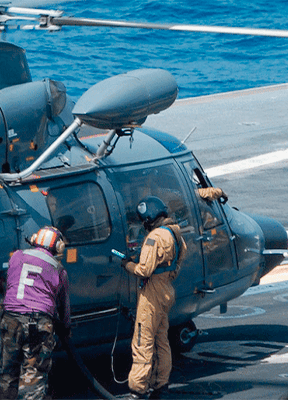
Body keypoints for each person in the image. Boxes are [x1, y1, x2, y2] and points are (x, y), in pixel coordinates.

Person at [122, 196, 187, 400]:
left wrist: (126, 264)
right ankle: (161, 386)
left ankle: (138, 390)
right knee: (161, 340)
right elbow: (180, 258)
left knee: (143, 340)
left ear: (149, 217)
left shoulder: (154, 237)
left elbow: (144, 270)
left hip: (151, 295)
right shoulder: (175, 233)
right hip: (166, 288)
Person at [0, 226, 71, 400]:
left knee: (7, 373)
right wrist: (66, 330)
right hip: (38, 323)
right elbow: (64, 308)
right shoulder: (58, 269)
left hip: (10, 320)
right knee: (33, 377)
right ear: (58, 247)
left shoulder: (17, 256)